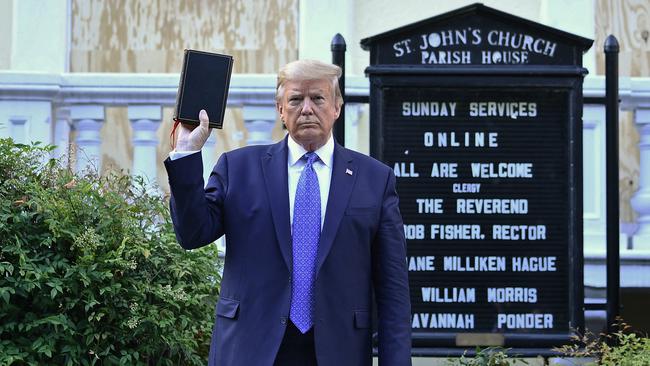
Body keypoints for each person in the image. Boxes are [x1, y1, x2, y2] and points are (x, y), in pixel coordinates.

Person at [165, 59, 411, 366]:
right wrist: (187, 154)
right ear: (281, 109)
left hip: (338, 351)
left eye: (318, 98)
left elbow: (393, 293)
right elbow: (192, 234)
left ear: (337, 106)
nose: (307, 108)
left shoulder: (375, 179)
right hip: (250, 349)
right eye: (296, 99)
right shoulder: (239, 169)